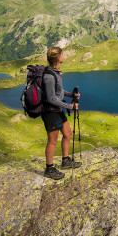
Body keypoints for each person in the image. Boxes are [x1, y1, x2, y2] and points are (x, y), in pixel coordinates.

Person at [41, 46, 82, 179]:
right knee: (52, 140)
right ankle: (49, 168)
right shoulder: (49, 76)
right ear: (58, 57)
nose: (64, 56)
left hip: (57, 110)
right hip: (50, 112)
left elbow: (59, 91)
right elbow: (52, 98)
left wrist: (71, 94)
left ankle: (65, 160)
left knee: (68, 133)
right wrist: (69, 106)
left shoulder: (56, 72)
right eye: (62, 54)